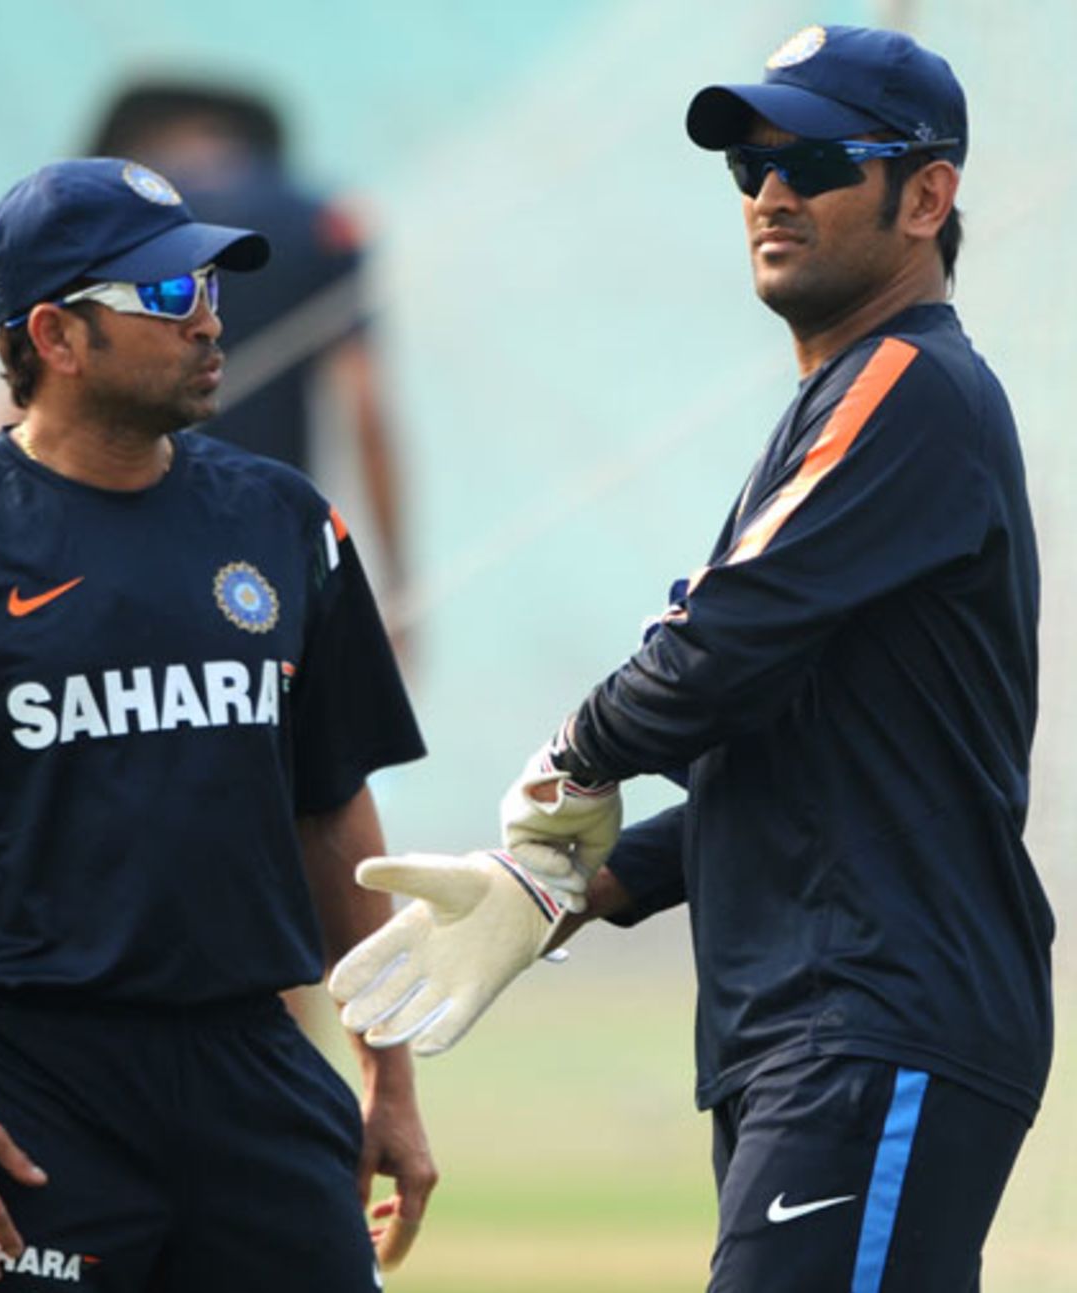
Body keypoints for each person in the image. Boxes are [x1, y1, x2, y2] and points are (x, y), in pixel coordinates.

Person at [329, 25, 1052, 1293]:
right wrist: (562, 887)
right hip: (823, 1022)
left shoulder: (906, 384)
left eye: (814, 160)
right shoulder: (851, 402)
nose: (769, 192)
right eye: (745, 168)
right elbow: (793, 750)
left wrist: (568, 765)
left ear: (925, 197)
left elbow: (713, 648)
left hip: (874, 1013)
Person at [0, 156, 436, 1290]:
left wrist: (387, 1068)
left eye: (210, 288)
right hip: (22, 1088)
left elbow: (331, 808)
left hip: (255, 1072)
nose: (209, 322)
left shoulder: (287, 526)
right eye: (168, 297)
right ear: (54, 334)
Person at [84, 82, 409, 633]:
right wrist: (397, 585)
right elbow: (365, 407)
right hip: (265, 554)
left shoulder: (108, 222)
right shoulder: (318, 220)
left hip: (115, 542)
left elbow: (25, 398)